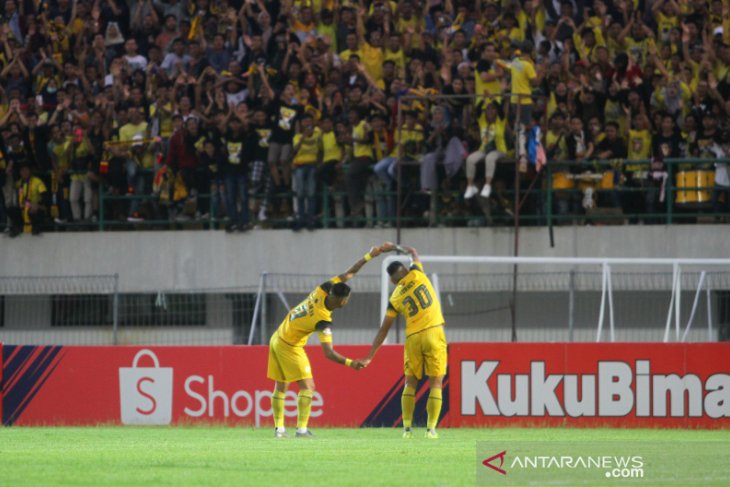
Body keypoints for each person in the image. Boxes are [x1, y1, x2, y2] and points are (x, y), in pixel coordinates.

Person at [267, 246, 383, 438]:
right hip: (290, 345)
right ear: (343, 301)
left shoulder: (322, 290)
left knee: (282, 386)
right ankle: (301, 430)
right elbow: (328, 352)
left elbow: (349, 273)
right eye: (348, 299)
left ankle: (279, 430)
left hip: (277, 337)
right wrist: (350, 363)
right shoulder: (323, 320)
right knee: (308, 387)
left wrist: (370, 255)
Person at [362, 243, 447, 439]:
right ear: (406, 270)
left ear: (392, 282)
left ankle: (407, 429)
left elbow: (384, 329)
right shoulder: (417, 273)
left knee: (410, 382)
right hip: (434, 332)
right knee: (436, 382)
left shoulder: (395, 297)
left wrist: (370, 355)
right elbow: (414, 252)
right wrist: (396, 247)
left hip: (413, 337)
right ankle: (431, 430)